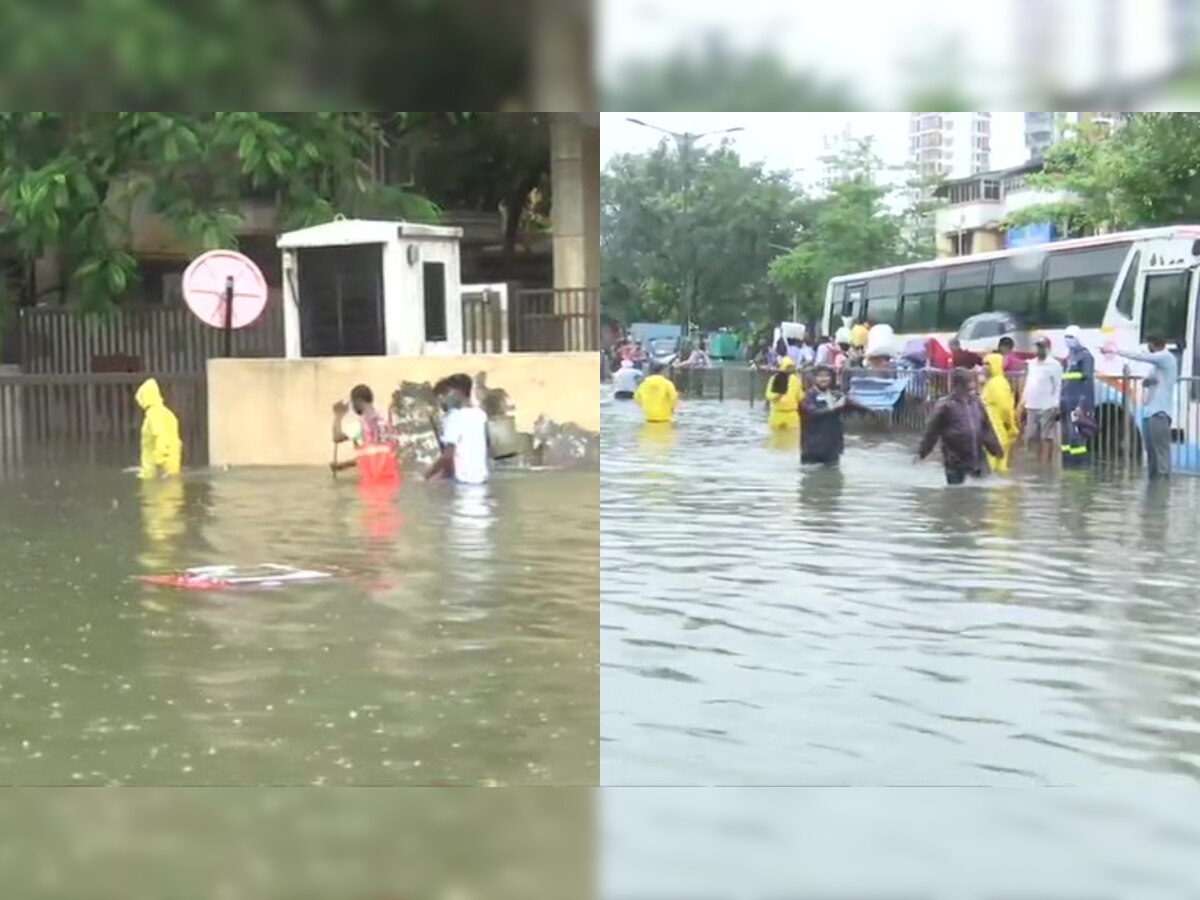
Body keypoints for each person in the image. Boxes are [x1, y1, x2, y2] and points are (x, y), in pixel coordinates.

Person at [917, 368, 1004, 485]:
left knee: (983, 490)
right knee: (956, 493)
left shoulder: (976, 402)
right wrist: (922, 453)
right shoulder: (945, 405)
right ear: (958, 385)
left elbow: (986, 429)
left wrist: (996, 449)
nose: (973, 387)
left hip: (978, 457)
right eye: (970, 384)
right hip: (955, 459)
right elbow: (931, 432)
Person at [1115, 335, 1178, 478]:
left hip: (1160, 413)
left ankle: (1162, 482)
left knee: (1161, 451)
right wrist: (1149, 382)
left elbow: (1141, 357)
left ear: (1154, 344)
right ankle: (1153, 484)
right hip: (1149, 413)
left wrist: (1117, 351)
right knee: (1151, 451)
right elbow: (1148, 381)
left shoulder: (1166, 357)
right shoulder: (1157, 367)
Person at [425, 375, 489, 484]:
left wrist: (427, 475)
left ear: (457, 393)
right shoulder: (480, 415)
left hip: (461, 483)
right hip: (480, 480)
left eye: (444, 394)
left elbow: (448, 455)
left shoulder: (453, 417)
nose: (441, 400)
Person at [331, 383, 400, 484]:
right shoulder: (389, 418)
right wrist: (344, 465)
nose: (353, 407)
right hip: (393, 480)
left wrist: (338, 415)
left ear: (357, 401)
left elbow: (337, 437)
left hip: (373, 483)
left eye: (352, 403)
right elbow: (379, 454)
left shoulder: (361, 425)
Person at [799, 365, 859, 465]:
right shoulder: (807, 397)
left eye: (827, 376)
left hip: (832, 448)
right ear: (814, 379)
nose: (824, 379)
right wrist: (834, 407)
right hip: (812, 449)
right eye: (820, 376)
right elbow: (812, 413)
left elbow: (854, 407)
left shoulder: (836, 396)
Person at [1017, 336, 1063, 465]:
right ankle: (1035, 462)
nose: (1038, 349)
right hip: (1031, 405)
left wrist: (1056, 404)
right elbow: (1028, 383)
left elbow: (1057, 385)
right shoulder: (1032, 364)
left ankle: (1046, 463)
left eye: (1041, 347)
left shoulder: (1054, 365)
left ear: (1047, 348)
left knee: (1047, 437)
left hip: (1047, 406)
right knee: (1031, 436)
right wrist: (1023, 401)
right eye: (1037, 347)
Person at [1060, 324, 1095, 468]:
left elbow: (1086, 379)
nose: (1069, 340)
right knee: (1067, 435)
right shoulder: (1069, 357)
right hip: (1067, 401)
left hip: (1079, 402)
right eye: (1066, 337)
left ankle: (1080, 465)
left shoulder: (1085, 357)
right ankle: (1067, 463)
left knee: (1077, 434)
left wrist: (1082, 404)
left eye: (1071, 337)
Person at [135, 378, 182, 479]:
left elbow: (161, 438)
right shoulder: (166, 413)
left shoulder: (153, 415)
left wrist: (160, 464)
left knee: (155, 494)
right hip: (171, 466)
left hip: (156, 473)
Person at [981, 353, 1020, 474]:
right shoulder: (992, 383)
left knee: (993, 467)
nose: (984, 367)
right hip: (992, 431)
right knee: (998, 468)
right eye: (984, 364)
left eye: (988, 364)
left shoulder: (997, 384)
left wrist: (1009, 426)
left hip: (996, 431)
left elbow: (1005, 409)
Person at [765, 356, 803, 431]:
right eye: (788, 367)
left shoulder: (796, 380)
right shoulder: (774, 379)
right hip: (777, 414)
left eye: (791, 367)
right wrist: (778, 396)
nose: (790, 369)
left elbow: (800, 397)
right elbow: (768, 395)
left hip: (792, 415)